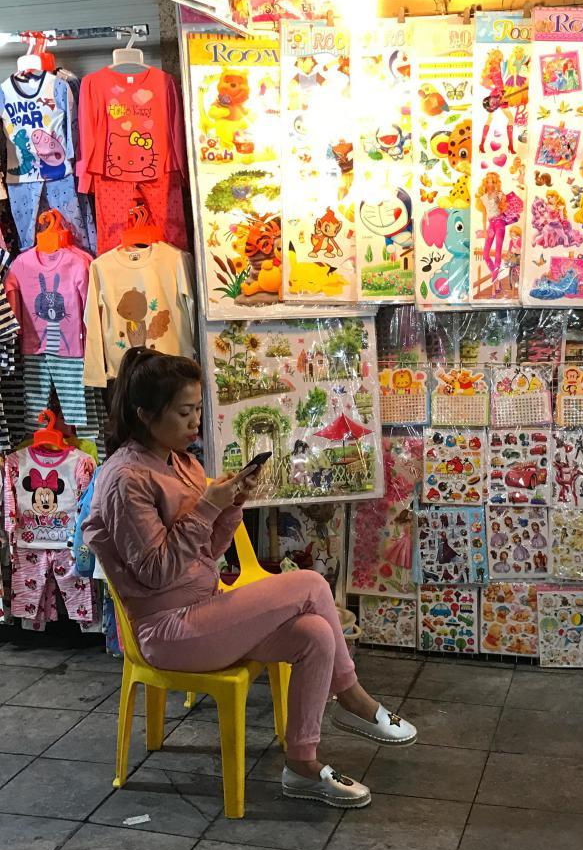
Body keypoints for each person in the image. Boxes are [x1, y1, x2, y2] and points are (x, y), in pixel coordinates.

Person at [83, 347, 416, 810]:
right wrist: (208, 506)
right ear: (145, 414)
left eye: (197, 409)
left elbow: (208, 552)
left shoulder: (182, 463)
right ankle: (352, 697)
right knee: (311, 584)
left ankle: (301, 765)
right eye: (184, 412)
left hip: (204, 608)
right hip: (167, 629)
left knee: (316, 634)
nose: (195, 422)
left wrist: (231, 504)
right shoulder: (126, 479)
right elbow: (156, 572)